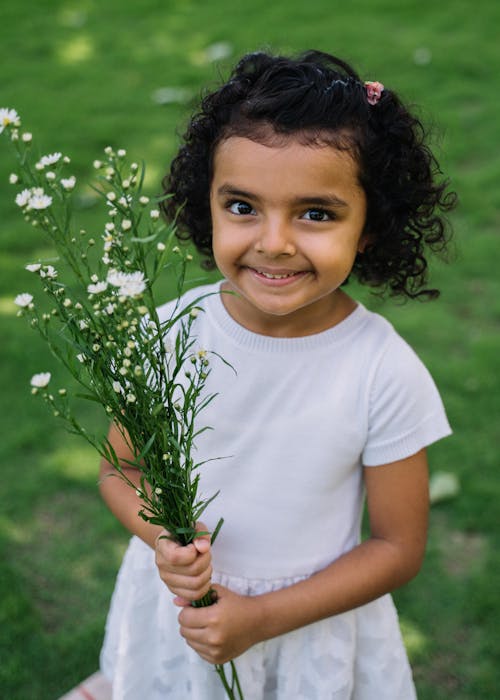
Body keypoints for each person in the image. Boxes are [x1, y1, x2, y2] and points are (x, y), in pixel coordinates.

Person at [99, 50, 456, 699]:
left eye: (315, 213)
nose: (274, 242)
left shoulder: (381, 369)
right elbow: (120, 468)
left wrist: (262, 618)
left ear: (370, 227)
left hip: (307, 623)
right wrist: (164, 538)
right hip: (184, 613)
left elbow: (398, 546)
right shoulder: (168, 332)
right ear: (205, 201)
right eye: (242, 206)